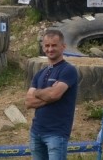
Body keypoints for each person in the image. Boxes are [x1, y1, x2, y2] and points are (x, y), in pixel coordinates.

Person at [25, 28, 79, 159]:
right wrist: (48, 95)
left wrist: (39, 93)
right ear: (43, 47)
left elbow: (54, 95)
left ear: (63, 47)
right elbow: (28, 102)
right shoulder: (40, 73)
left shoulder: (68, 70)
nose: (50, 49)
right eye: (47, 45)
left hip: (56, 134)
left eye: (54, 45)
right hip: (36, 132)